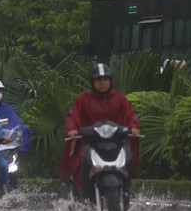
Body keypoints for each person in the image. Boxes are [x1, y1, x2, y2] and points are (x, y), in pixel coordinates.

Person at [59, 63, 141, 194]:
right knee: (79, 160)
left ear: (110, 80)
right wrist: (72, 129)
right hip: (89, 143)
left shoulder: (119, 98)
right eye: (98, 79)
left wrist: (133, 127)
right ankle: (81, 191)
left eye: (105, 79)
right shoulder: (83, 99)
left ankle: (127, 189)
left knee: (128, 156)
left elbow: (130, 114)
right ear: (93, 82)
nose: (102, 82)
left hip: (116, 142)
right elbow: (73, 116)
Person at [0, 78, 32, 186]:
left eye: (0, 90)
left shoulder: (7, 108)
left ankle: (12, 189)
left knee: (13, 169)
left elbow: (16, 122)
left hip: (8, 146)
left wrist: (22, 129)